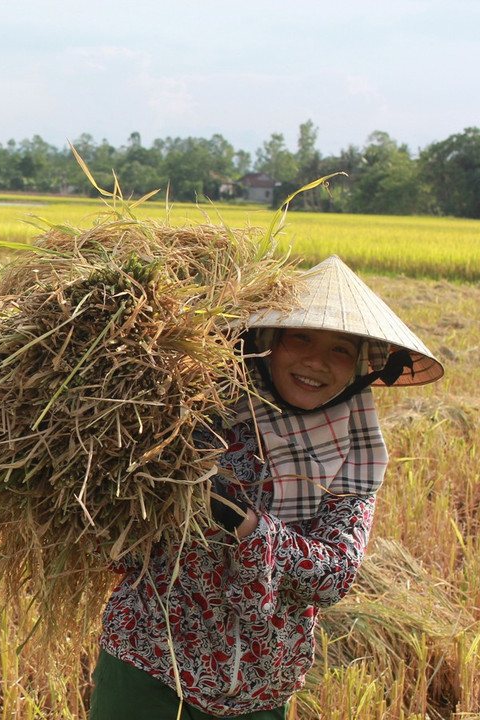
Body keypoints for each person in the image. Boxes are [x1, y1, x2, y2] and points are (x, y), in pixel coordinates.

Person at [90, 255, 444, 719]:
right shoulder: (197, 409)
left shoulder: (353, 458)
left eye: (340, 349)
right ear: (268, 342)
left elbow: (335, 575)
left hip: (259, 677)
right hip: (148, 653)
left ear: (359, 366)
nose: (317, 361)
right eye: (301, 337)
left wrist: (250, 528)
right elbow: (114, 516)